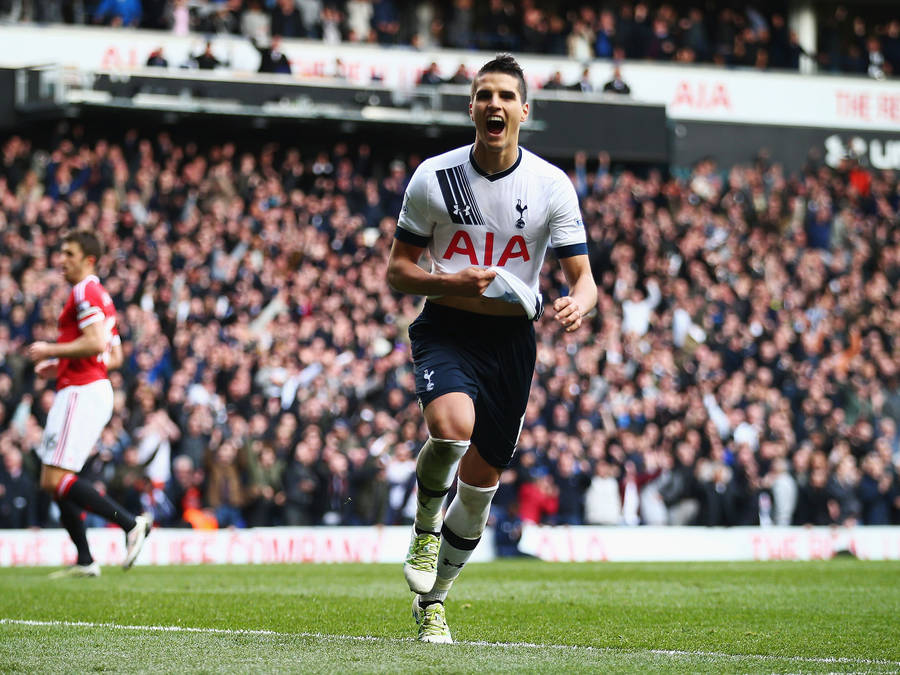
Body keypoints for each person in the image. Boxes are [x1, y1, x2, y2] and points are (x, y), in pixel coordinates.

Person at [386, 53, 597, 643]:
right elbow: (399, 271)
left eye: (506, 96)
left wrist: (580, 300)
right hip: (448, 326)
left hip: (511, 343)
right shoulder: (434, 178)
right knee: (451, 429)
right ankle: (425, 526)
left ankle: (436, 603)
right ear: (471, 107)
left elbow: (585, 278)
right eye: (484, 96)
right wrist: (445, 282)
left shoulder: (551, 185)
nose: (494, 105)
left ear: (523, 110)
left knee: (479, 491)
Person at [26, 231, 151, 578]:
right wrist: (62, 363)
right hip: (85, 386)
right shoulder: (101, 296)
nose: (62, 259)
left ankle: (130, 524)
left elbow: (96, 342)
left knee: (54, 479)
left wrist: (52, 350)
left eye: (69, 253)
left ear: (89, 259)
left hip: (81, 392)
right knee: (56, 478)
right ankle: (85, 560)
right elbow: (113, 354)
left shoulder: (84, 290)